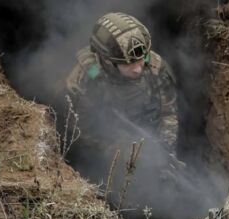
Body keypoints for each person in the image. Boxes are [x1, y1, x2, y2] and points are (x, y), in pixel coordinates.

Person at [65, 12, 178, 150]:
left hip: (147, 137)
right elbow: (79, 132)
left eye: (141, 59)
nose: (138, 69)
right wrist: (115, 149)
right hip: (104, 144)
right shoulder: (87, 78)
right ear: (108, 61)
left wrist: (165, 146)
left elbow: (168, 114)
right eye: (128, 64)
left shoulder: (156, 68)